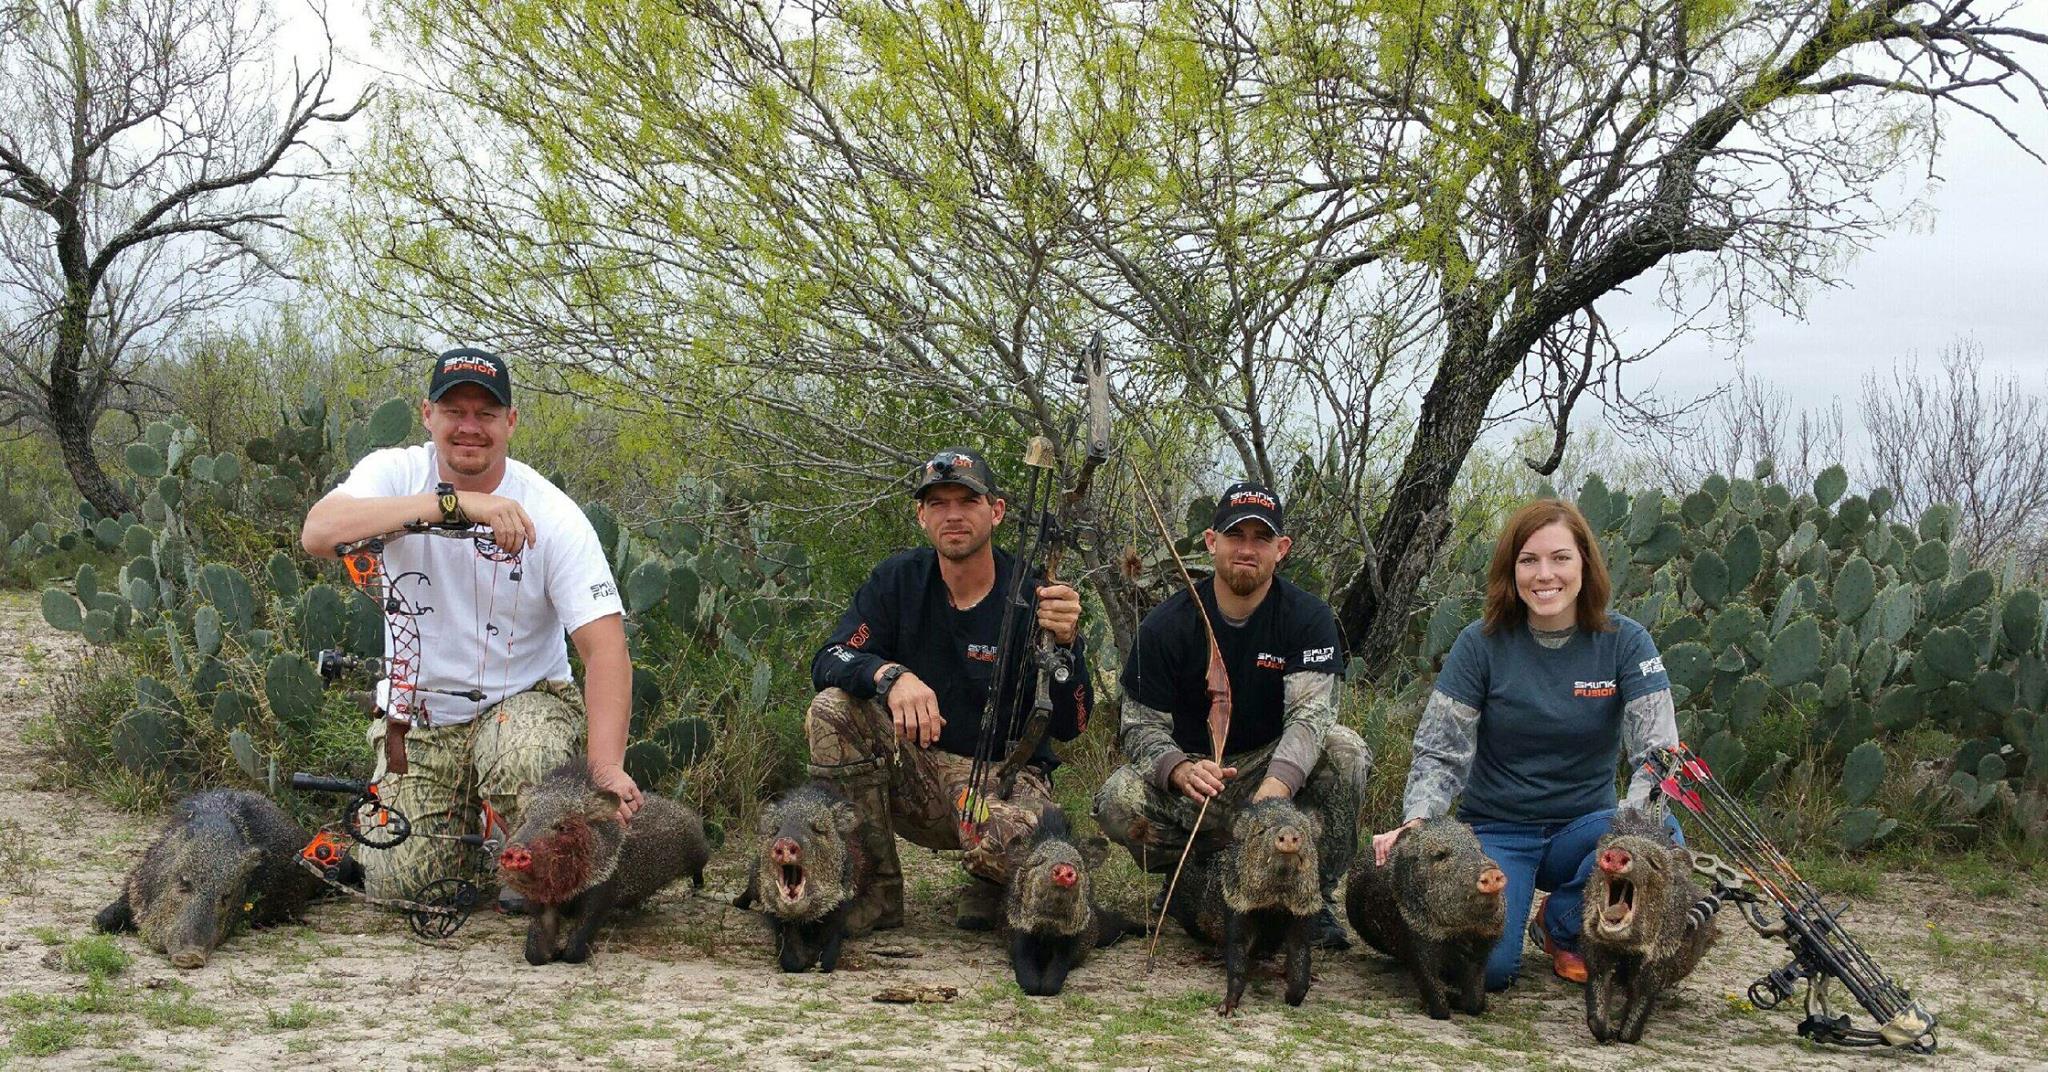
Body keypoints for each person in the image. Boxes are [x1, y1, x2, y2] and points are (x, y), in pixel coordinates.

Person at [299, 348, 637, 905]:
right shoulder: (394, 472)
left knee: (524, 755)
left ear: (511, 422)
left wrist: (604, 767)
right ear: (427, 415)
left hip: (523, 703)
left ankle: (534, 845)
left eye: (486, 413)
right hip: (422, 717)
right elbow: (319, 532)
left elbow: (605, 651)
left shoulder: (554, 514)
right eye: (455, 410)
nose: (469, 427)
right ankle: (476, 850)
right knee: (399, 885)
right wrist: (456, 506)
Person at [1369, 498, 1681, 989]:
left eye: (1560, 558)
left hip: (1586, 832)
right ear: (1510, 569)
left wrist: (1637, 828)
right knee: (1488, 973)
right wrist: (1418, 822)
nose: (1545, 575)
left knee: (1662, 829)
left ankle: (1560, 925)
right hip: (1497, 830)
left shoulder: (1627, 641)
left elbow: (1660, 753)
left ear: (1585, 563)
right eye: (1529, 560)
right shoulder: (1479, 643)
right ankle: (1530, 925)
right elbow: (1439, 752)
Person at [808, 448, 1092, 934]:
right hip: (916, 772)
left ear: (996, 511)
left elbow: (1073, 724)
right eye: (938, 504)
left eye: (968, 500)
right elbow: (830, 659)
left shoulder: (1035, 593)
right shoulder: (896, 580)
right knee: (830, 709)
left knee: (1020, 847)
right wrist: (889, 676)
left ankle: (993, 884)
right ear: (922, 516)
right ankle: (875, 889)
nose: (954, 515)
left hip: (1000, 782)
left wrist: (1068, 647)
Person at [1093, 481, 1370, 950]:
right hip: (1199, 777)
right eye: (1234, 536)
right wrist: (1178, 769)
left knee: (1346, 751)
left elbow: (1311, 717)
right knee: (1117, 799)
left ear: (1281, 549)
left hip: (1272, 771)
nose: (1246, 549)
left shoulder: (1308, 617)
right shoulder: (1165, 624)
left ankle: (1312, 897)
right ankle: (1191, 882)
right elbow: (1139, 726)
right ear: (1210, 542)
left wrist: (1275, 791)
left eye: (1260, 539)